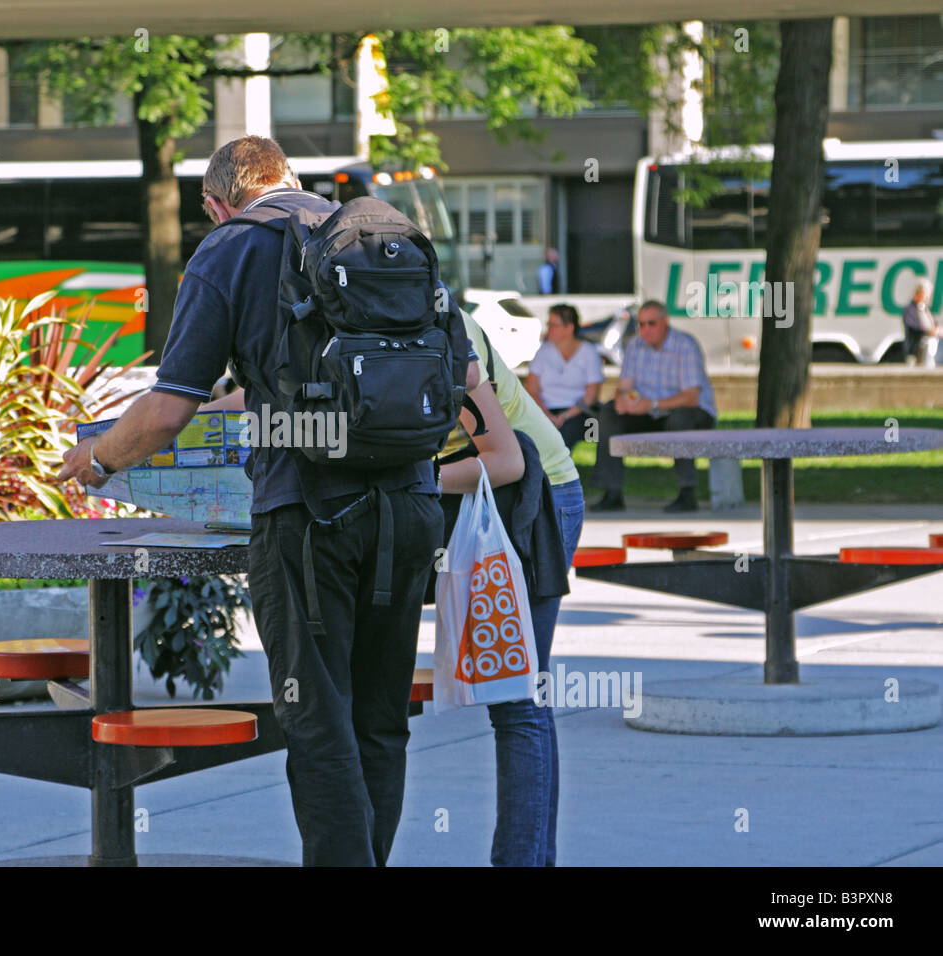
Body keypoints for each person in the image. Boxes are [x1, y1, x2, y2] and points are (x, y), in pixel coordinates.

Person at [58, 135, 473, 867]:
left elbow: (165, 411)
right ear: (290, 179)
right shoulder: (374, 234)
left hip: (309, 515)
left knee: (317, 720)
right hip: (411, 503)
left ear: (219, 204)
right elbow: (461, 370)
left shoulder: (230, 248)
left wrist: (95, 458)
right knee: (380, 718)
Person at [432, 306, 584, 867]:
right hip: (476, 497)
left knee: (518, 695)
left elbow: (508, 462)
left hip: (536, 500)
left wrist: (410, 480)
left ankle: (522, 860)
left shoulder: (441, 326)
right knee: (517, 697)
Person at [590, 299, 717, 513]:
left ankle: (687, 493)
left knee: (681, 419)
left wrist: (652, 403)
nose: (645, 329)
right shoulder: (634, 345)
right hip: (649, 411)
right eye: (641, 324)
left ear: (665, 321)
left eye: (651, 323)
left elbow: (691, 397)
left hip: (690, 411)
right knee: (609, 412)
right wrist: (625, 400)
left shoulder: (685, 345)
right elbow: (625, 386)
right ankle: (611, 492)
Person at [525, 303, 604, 450]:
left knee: (567, 432)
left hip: (578, 413)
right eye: (549, 324)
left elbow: (592, 395)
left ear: (569, 328)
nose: (549, 329)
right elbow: (532, 390)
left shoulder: (588, 352)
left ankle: (558, 471)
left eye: (554, 325)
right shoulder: (543, 352)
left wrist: (565, 416)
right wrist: (546, 414)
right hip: (545, 410)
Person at [902, 280, 940, 368]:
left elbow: (933, 324)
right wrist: (929, 332)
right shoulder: (910, 310)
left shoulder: (925, 309)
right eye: (925, 294)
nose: (927, 297)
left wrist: (937, 329)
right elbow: (914, 327)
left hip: (929, 351)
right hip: (915, 351)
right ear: (918, 294)